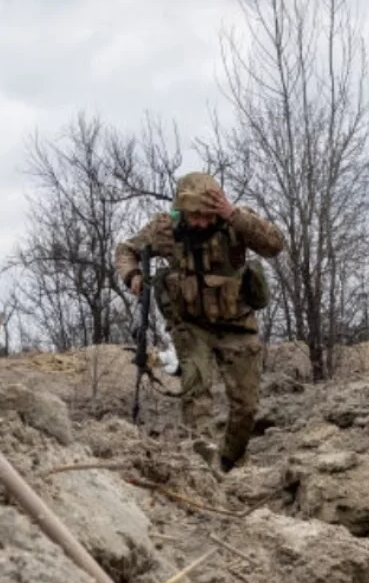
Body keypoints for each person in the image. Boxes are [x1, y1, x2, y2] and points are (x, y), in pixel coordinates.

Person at [114, 172, 285, 471]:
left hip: (238, 324)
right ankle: (204, 465)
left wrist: (233, 215)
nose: (202, 223)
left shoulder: (237, 222)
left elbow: (274, 245)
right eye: (195, 216)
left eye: (208, 215)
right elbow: (126, 250)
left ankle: (229, 461)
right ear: (182, 210)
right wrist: (133, 275)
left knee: (246, 406)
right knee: (197, 393)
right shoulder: (165, 228)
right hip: (191, 326)